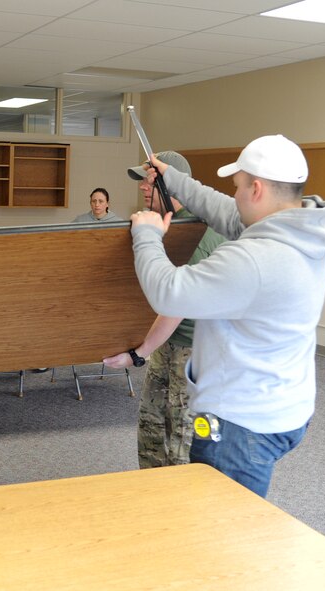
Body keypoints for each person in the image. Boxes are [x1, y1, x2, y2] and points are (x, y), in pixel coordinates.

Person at [127, 135, 325, 497]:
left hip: (239, 423)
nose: (234, 195)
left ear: (256, 189)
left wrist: (146, 235)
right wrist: (173, 179)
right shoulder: (303, 229)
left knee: (223, 527)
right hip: (283, 404)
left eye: (238, 186)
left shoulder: (255, 258)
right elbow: (224, 210)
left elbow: (169, 291)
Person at [103, 152, 225, 468]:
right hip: (166, 343)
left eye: (150, 181)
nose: (143, 188)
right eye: (143, 180)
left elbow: (176, 303)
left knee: (182, 440)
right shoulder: (162, 223)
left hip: (193, 351)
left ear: (174, 185)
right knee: (153, 429)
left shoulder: (196, 231)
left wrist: (139, 352)